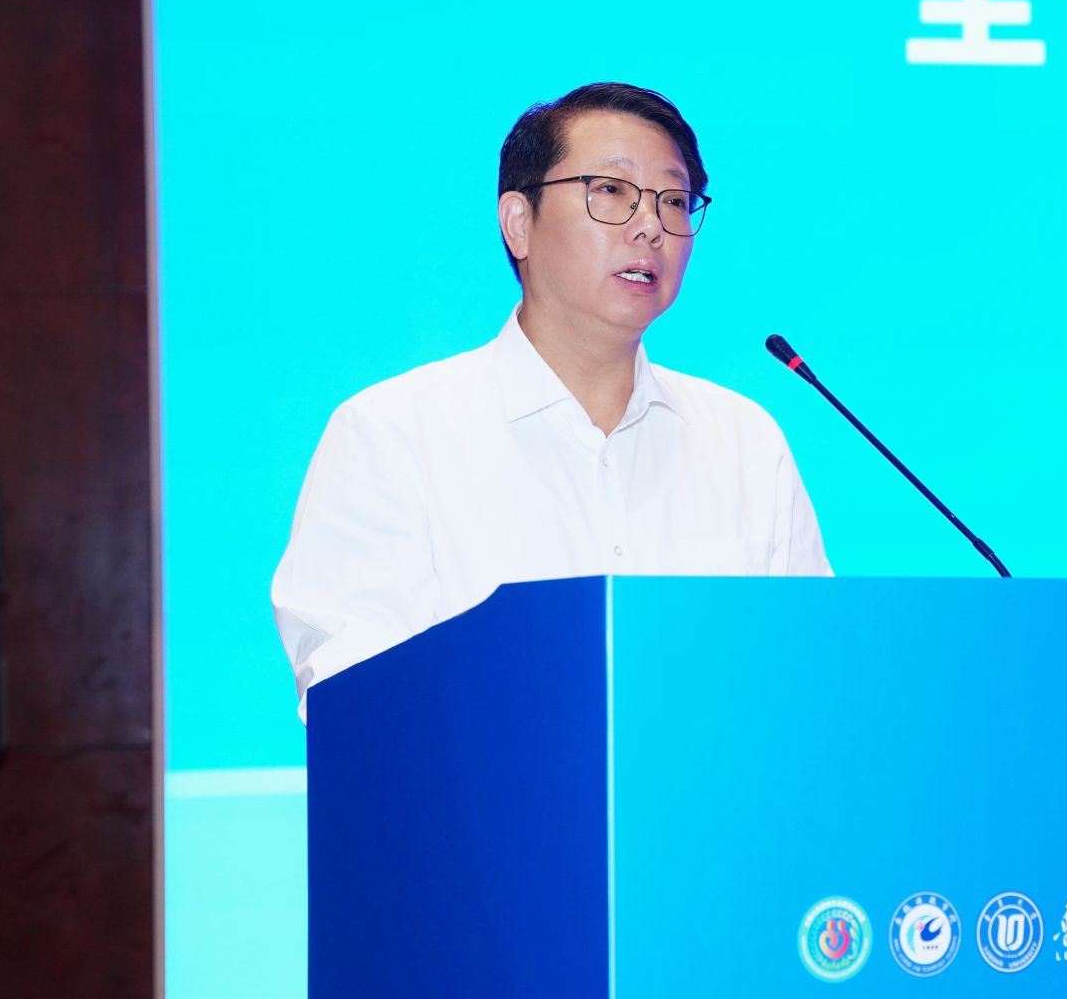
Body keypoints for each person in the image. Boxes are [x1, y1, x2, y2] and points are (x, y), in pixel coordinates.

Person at [271, 82, 831, 716]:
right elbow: (353, 702)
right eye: (611, 191)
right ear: (519, 222)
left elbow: (810, 673)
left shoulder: (744, 442)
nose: (650, 226)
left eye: (674, 201)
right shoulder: (392, 435)